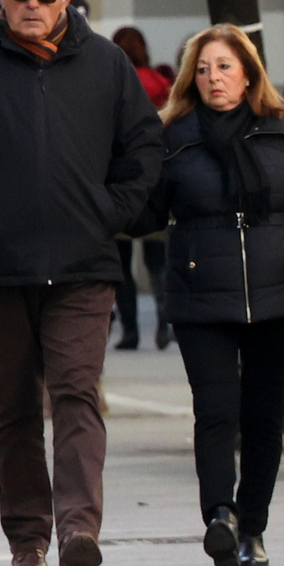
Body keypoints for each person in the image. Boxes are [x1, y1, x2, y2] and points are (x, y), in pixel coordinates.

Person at [0, 0, 165, 566]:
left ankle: (79, 528)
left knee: (77, 392)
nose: (32, 3)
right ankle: (27, 540)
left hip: (84, 264)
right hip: (1, 266)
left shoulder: (108, 65)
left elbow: (144, 148)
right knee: (15, 407)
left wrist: (107, 212)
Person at [131, 24, 284, 566]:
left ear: (248, 71)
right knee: (215, 412)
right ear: (190, 78)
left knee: (261, 416)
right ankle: (219, 519)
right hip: (201, 294)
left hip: (279, 294)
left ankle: (253, 527)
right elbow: (147, 214)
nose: (213, 78)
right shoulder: (172, 134)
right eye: (202, 69)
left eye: (224, 66)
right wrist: (110, 183)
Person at [110, 26, 174, 350]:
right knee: (157, 261)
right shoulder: (162, 84)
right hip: (156, 183)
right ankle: (164, 325)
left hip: (121, 183)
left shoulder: (113, 84)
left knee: (122, 265)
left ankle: (130, 331)